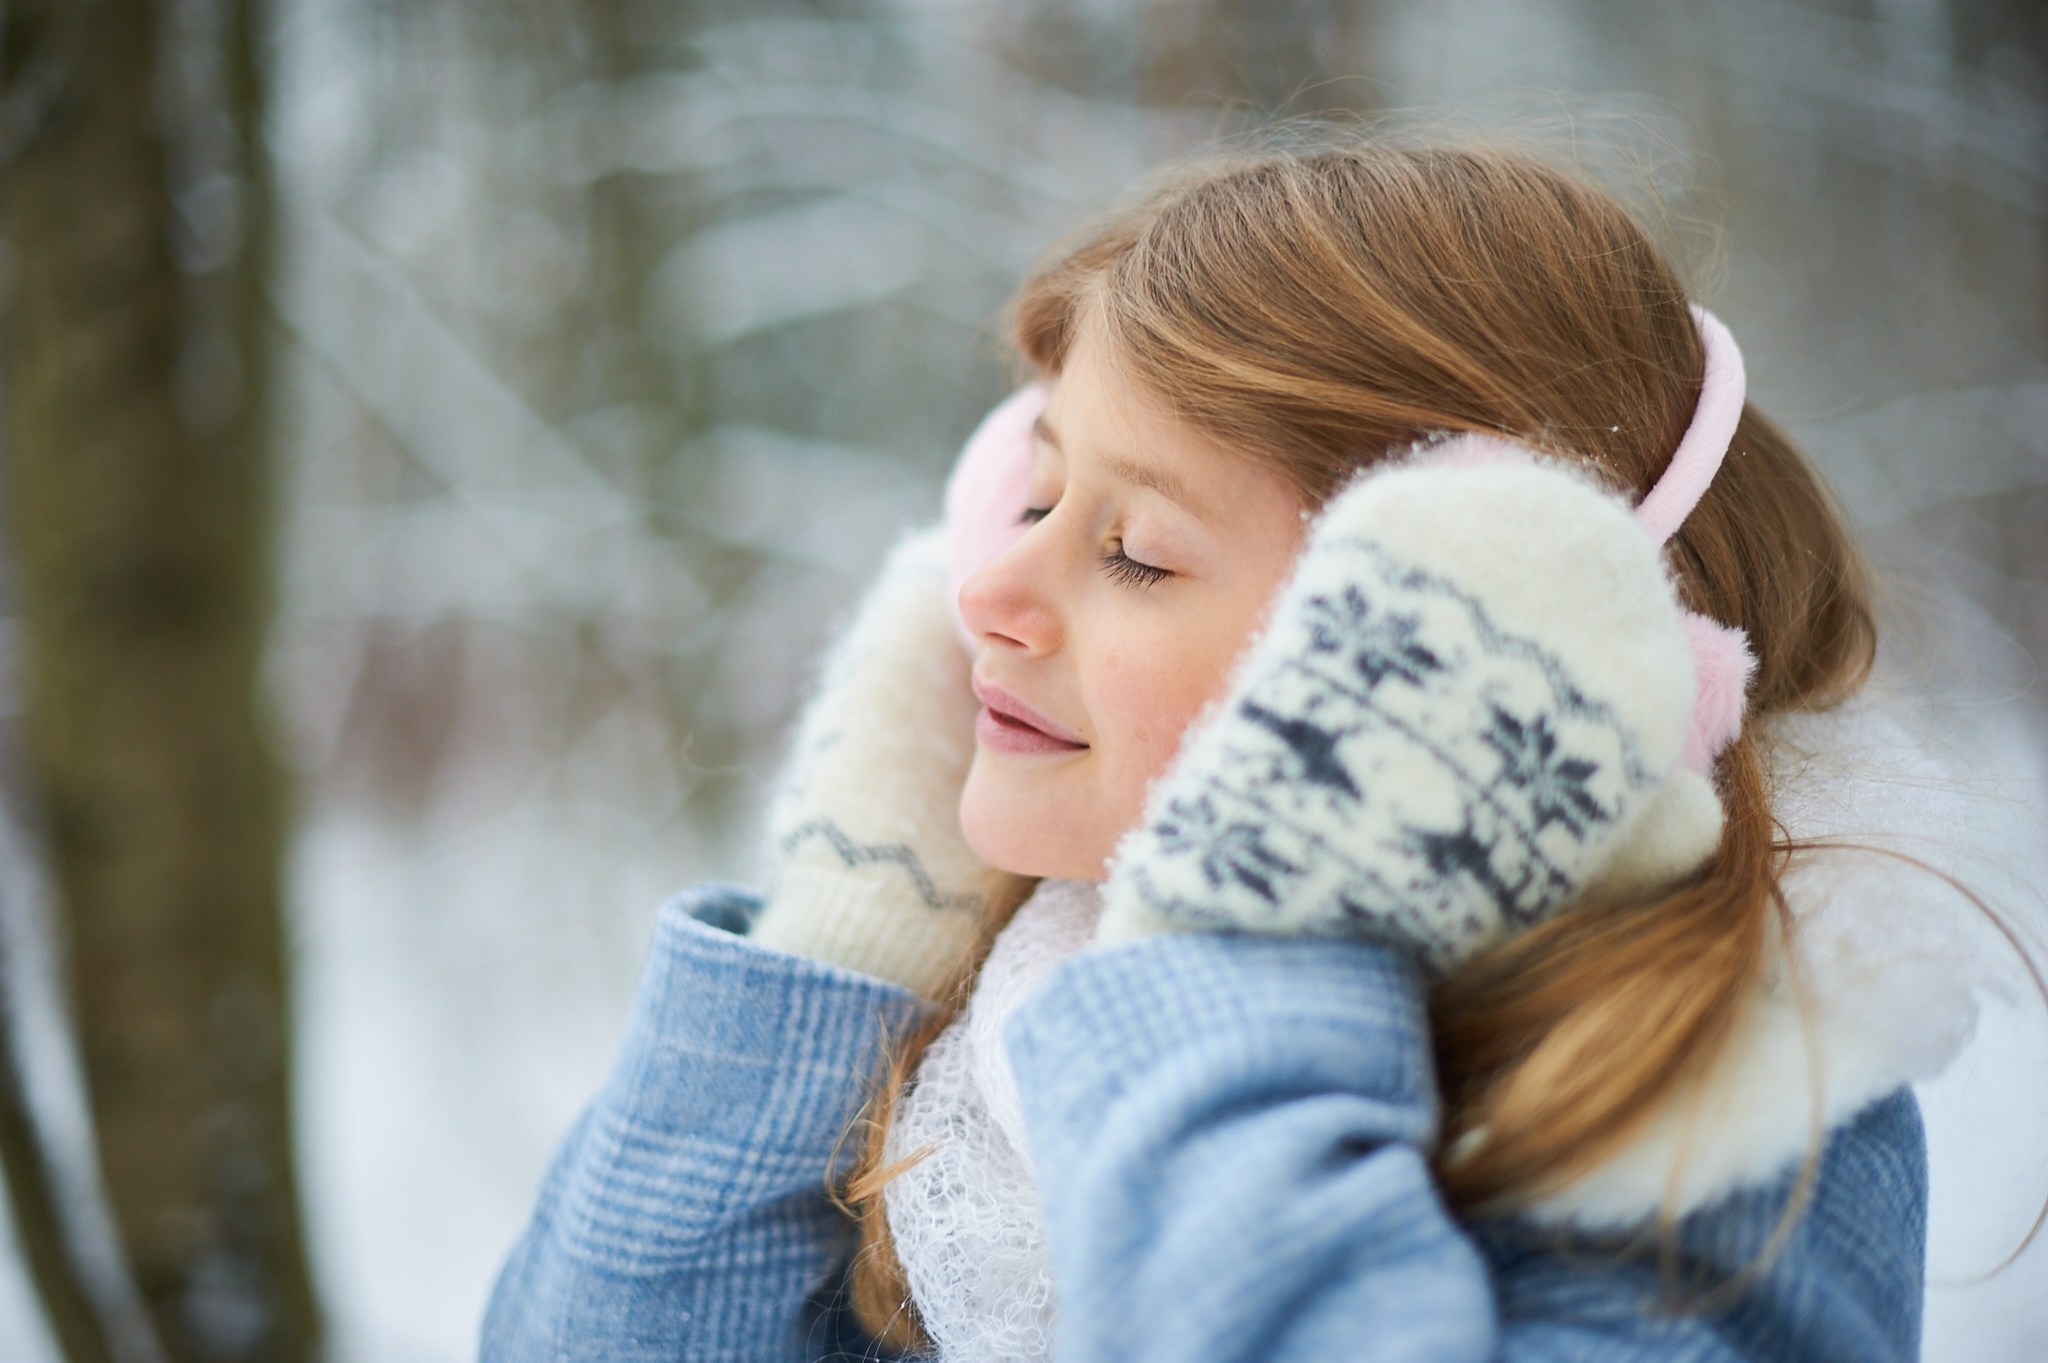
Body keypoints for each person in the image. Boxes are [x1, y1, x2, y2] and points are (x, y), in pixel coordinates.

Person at [478, 138, 2016, 1363]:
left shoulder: (1715, 1110)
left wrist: (1253, 930)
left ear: (1458, 648)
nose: (981, 594)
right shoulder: (999, 1003)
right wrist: (853, 920)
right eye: (1030, 495)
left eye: (1135, 550)